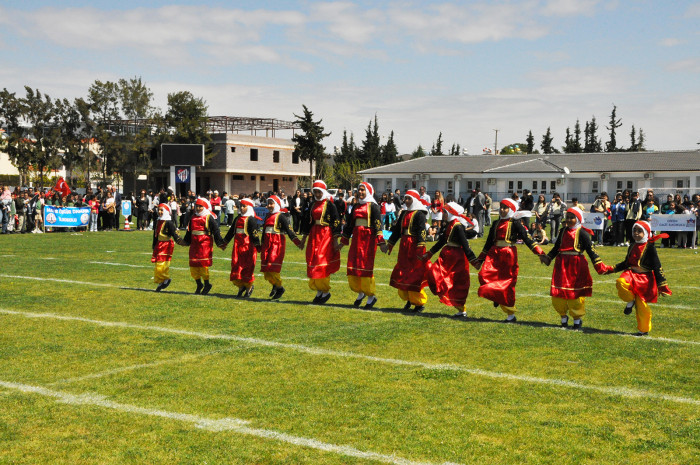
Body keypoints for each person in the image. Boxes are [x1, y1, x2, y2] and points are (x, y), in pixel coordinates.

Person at [475, 198, 545, 322]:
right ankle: (496, 296)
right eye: (501, 207)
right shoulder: (496, 223)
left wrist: (539, 252)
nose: (502, 210)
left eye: (505, 208)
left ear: (511, 210)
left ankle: (510, 315)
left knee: (507, 283)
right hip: (494, 254)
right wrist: (480, 259)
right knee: (484, 275)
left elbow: (526, 238)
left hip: (508, 254)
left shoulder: (515, 223)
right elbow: (488, 242)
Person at [540, 208, 612, 330]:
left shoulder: (582, 233)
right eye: (567, 217)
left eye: (571, 217)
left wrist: (599, 265)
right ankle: (563, 317)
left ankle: (577, 320)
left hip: (576, 266)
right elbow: (556, 248)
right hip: (561, 265)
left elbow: (591, 250)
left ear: (578, 219)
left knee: (575, 294)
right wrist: (548, 258)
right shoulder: (563, 231)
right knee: (558, 293)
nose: (568, 220)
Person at [607, 221, 672, 336]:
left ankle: (643, 330)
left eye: (639, 231)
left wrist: (662, 285)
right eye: (634, 230)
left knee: (642, 306)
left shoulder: (650, 248)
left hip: (644, 279)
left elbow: (657, 266)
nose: (636, 233)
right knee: (621, 282)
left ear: (646, 233)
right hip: (631, 274)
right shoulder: (632, 245)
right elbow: (626, 262)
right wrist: (612, 269)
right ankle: (631, 299)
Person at [423, 202, 480, 317]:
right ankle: (446, 295)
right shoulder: (449, 225)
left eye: (445, 212)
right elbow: (442, 241)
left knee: (455, 283)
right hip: (447, 256)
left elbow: (465, 244)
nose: (443, 214)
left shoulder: (458, 226)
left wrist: (473, 260)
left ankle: (461, 309)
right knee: (434, 273)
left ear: (451, 213)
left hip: (456, 258)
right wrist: (430, 253)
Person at [339, 182, 386, 309]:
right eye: (359, 190)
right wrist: (342, 242)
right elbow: (349, 225)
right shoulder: (355, 206)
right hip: (356, 239)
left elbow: (378, 225)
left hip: (368, 240)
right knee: (353, 264)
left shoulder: (374, 207)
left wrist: (381, 242)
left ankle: (371, 296)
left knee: (365, 266)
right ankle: (360, 292)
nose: (360, 192)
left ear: (369, 192)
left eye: (362, 190)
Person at [386, 189, 430, 312]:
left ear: (414, 200)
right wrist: (390, 244)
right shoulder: (404, 213)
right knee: (403, 271)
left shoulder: (419, 214)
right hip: (404, 246)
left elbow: (422, 232)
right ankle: (409, 299)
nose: (406, 201)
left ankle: (418, 302)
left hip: (414, 246)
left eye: (408, 198)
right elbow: (396, 231)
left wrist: (420, 249)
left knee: (414, 273)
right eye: (405, 198)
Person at [299, 180, 342, 304]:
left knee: (321, 260)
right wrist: (303, 239)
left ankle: (325, 290)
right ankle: (319, 291)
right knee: (313, 259)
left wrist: (335, 240)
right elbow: (308, 222)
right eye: (315, 192)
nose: (317, 194)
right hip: (314, 234)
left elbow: (336, 221)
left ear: (323, 192)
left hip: (325, 235)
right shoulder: (313, 205)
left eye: (319, 192)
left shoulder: (330, 205)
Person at [179, 198, 225, 295]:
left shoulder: (208, 217)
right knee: (193, 264)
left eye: (201, 206)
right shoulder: (193, 217)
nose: (198, 208)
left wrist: (220, 243)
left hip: (205, 244)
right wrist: (186, 241)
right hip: (194, 244)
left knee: (203, 265)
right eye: (197, 206)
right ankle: (199, 284)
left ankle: (207, 284)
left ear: (205, 207)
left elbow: (216, 230)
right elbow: (189, 231)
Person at [259, 195, 302, 300]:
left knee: (272, 268)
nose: (269, 205)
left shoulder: (281, 216)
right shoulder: (268, 216)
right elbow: (264, 231)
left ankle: (280, 288)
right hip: (267, 245)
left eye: (271, 203)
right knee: (266, 270)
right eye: (268, 203)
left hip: (276, 245)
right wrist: (261, 244)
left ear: (277, 204)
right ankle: (275, 285)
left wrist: (297, 242)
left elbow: (289, 230)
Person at [221, 198, 261, 298]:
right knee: (236, 266)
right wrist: (224, 242)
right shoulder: (237, 219)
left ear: (249, 207)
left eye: (244, 206)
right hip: (237, 247)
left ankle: (248, 287)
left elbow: (255, 234)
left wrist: (258, 246)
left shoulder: (251, 219)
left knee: (247, 267)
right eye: (240, 206)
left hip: (248, 248)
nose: (241, 208)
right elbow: (231, 232)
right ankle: (240, 287)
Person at [152, 203, 181, 292]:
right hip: (159, 244)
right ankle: (162, 280)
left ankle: (166, 279)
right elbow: (155, 234)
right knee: (158, 263)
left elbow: (174, 234)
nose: (160, 212)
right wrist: (154, 245)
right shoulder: (158, 221)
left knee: (163, 263)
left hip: (166, 245)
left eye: (162, 210)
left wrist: (180, 241)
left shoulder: (169, 222)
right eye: (159, 210)